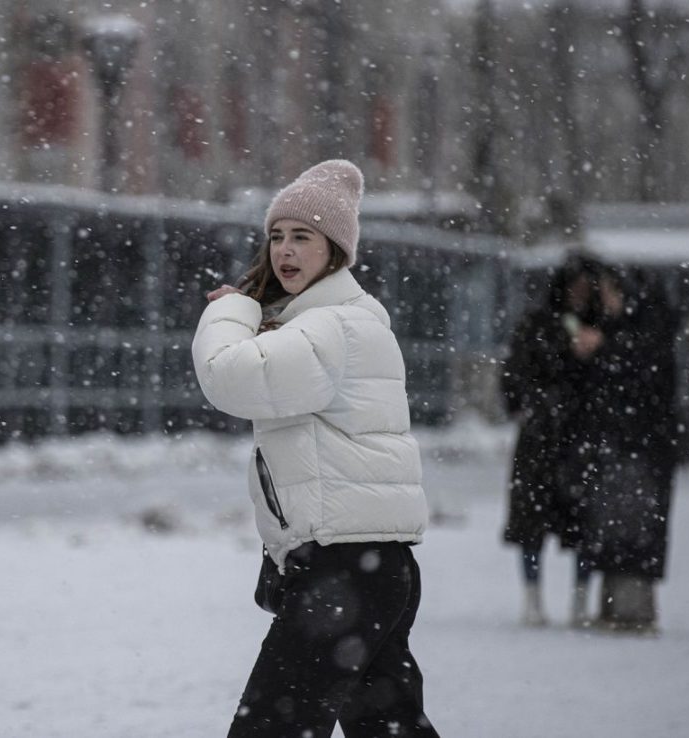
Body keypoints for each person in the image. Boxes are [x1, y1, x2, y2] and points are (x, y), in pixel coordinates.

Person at [192, 160, 438, 737]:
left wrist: (229, 308)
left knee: (270, 729)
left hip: (346, 570)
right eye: (276, 236)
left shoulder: (334, 327)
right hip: (371, 565)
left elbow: (230, 375)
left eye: (303, 236)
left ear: (336, 251)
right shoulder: (331, 322)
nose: (285, 250)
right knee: (389, 726)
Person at [501, 256, 604, 627]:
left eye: (586, 287)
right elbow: (516, 375)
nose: (580, 294)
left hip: (584, 440)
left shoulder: (604, 329)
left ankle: (580, 601)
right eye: (574, 286)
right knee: (532, 520)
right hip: (541, 438)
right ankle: (532, 598)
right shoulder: (538, 325)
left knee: (588, 520)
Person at [576, 265, 679, 632]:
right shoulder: (633, 331)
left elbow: (642, 379)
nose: (604, 301)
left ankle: (630, 611)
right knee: (619, 528)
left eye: (609, 293)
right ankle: (619, 609)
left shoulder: (643, 334)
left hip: (638, 447)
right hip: (628, 445)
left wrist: (605, 349)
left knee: (631, 529)